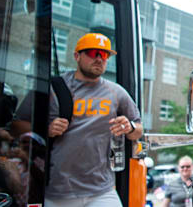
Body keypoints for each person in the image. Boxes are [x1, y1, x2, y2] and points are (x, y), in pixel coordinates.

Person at [16, 33, 143, 207]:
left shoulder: (117, 92)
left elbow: (138, 130)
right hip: (57, 192)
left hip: (102, 191)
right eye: (93, 53)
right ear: (77, 56)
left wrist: (129, 127)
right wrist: (45, 130)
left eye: (104, 55)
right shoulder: (52, 88)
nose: (99, 59)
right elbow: (17, 125)